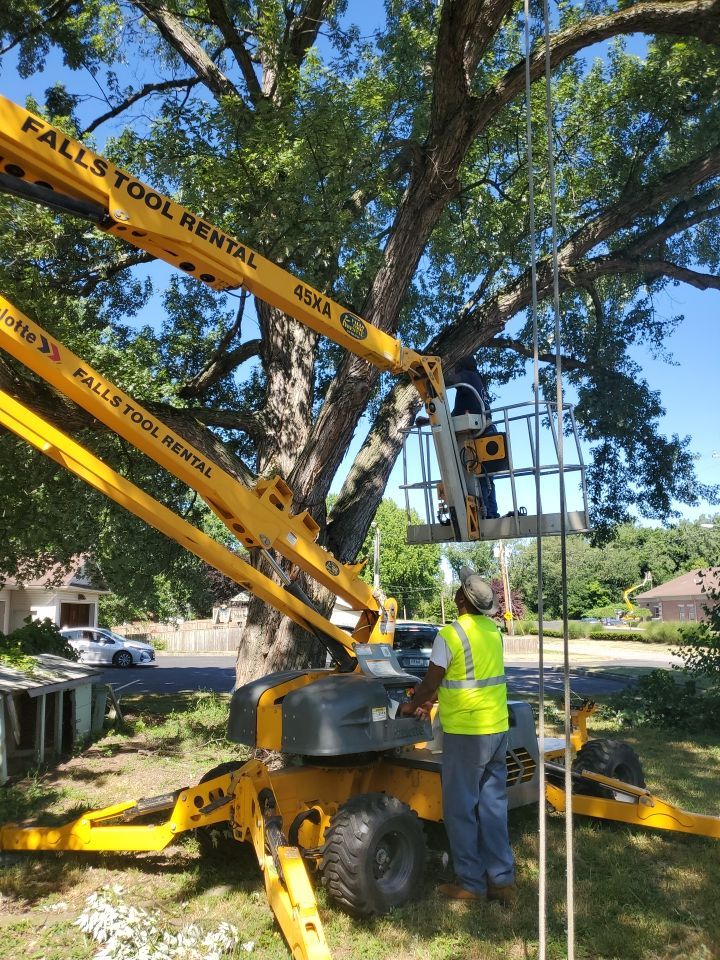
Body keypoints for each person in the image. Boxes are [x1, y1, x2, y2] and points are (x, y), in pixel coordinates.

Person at [399, 566, 515, 903]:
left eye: (459, 589)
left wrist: (412, 705)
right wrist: (432, 699)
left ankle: (471, 885)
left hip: (467, 732)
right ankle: (502, 881)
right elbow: (468, 676)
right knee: (493, 805)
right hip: (497, 729)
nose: (455, 592)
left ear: (463, 599)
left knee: (461, 809)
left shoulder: (449, 635)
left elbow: (432, 682)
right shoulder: (492, 631)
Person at [444, 355, 499, 519]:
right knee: (484, 477)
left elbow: (446, 380)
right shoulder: (469, 387)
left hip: (482, 432)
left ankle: (486, 514)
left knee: (482, 476)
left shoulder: (468, 376)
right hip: (485, 430)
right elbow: (456, 413)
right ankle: (490, 512)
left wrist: (431, 372)